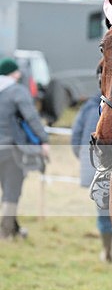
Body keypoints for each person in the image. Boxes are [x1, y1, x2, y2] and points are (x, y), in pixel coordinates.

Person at [71, 68, 112, 264]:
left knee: (103, 210)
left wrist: (85, 159)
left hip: (95, 168)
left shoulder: (89, 107)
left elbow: (76, 138)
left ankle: (107, 252)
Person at [0, 57, 49, 239]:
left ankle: (13, 229)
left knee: (6, 190)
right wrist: (44, 140)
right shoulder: (17, 91)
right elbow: (31, 118)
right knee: (12, 191)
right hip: (11, 148)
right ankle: (5, 234)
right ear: (13, 73)